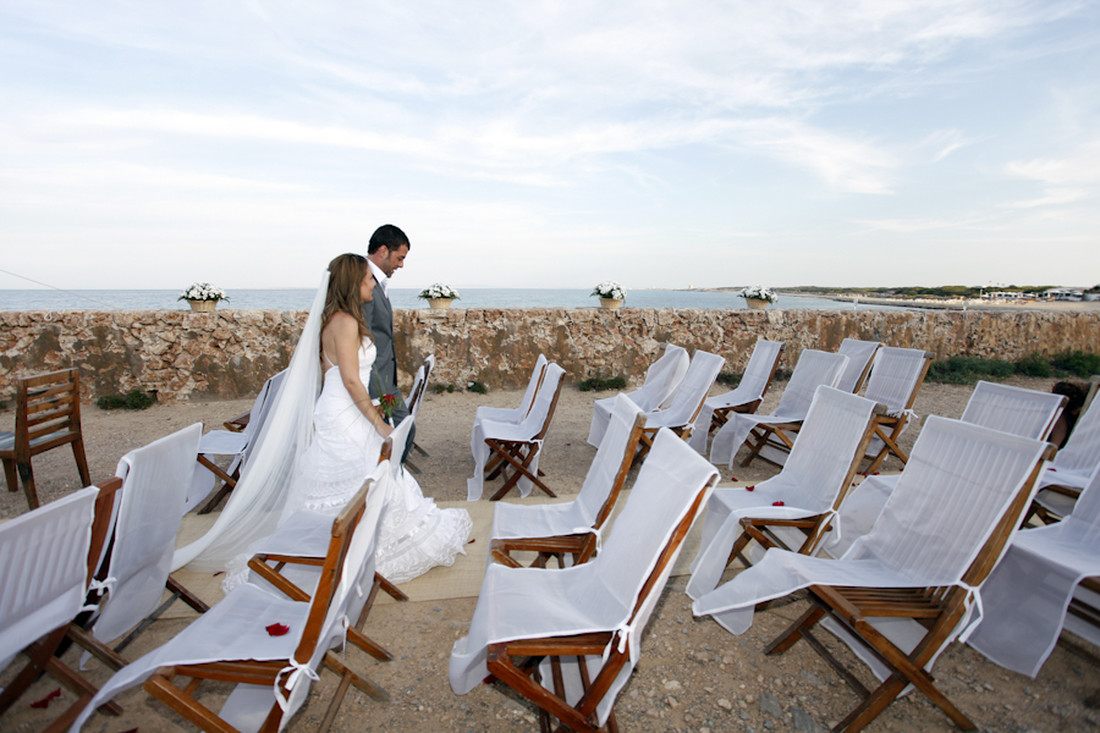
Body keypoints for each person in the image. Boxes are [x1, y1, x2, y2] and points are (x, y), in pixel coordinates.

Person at [281, 253, 471, 583]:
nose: (372, 283)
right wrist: (377, 420)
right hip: (345, 415)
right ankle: (345, 550)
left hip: (345, 408)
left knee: (367, 481)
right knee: (356, 482)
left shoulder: (337, 319)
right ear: (355, 283)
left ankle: (347, 546)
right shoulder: (345, 322)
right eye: (368, 279)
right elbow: (351, 379)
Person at [364, 224, 414, 458]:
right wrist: (373, 395)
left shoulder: (375, 281)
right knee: (402, 431)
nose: (401, 265)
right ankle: (389, 486)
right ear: (383, 250)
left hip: (385, 380)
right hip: (377, 383)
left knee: (404, 430)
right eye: (400, 258)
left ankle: (392, 486)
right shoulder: (364, 282)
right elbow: (361, 339)